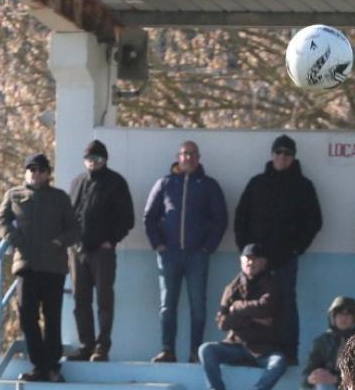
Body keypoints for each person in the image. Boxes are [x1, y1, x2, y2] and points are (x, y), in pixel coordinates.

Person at [234, 134, 322, 359]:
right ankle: (249, 349)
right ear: (272, 154)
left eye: (287, 153)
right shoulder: (257, 183)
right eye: (279, 152)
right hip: (256, 259)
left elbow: (314, 221)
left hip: (285, 258)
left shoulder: (303, 186)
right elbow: (241, 217)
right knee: (249, 303)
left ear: (293, 157)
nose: (282, 157)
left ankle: (288, 350)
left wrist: (297, 248)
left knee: (286, 302)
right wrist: (246, 251)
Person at [0, 152, 79, 382]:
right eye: (32, 169)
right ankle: (39, 365)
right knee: (27, 316)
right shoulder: (14, 195)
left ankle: (52, 366)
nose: (36, 173)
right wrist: (15, 239)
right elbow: (1, 221)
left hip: (53, 266)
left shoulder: (59, 197)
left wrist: (59, 241)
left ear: (48, 173)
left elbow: (74, 229)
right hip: (27, 265)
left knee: (52, 316)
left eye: (41, 169)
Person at [144, 141, 228, 363]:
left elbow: (221, 219)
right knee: (167, 306)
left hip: (197, 256)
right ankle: (167, 350)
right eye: (184, 154)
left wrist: (208, 247)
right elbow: (149, 217)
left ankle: (195, 352)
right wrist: (158, 245)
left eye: (192, 154)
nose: (188, 158)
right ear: (177, 157)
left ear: (198, 157)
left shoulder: (209, 186)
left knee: (198, 306)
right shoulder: (165, 184)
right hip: (168, 254)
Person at [198, 244, 288, 390]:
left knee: (279, 362)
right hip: (235, 345)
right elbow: (222, 323)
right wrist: (253, 316)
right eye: (247, 259)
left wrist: (238, 308)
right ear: (241, 261)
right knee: (206, 350)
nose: (250, 263)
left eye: (254, 259)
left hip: (263, 347)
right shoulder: (232, 287)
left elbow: (267, 310)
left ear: (264, 262)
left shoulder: (273, 284)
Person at [68, 139, 135, 362]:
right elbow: (71, 213)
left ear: (104, 160)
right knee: (80, 300)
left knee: (104, 300)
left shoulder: (116, 183)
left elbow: (127, 218)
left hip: (102, 252)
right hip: (78, 251)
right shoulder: (78, 182)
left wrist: (111, 240)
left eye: (96, 159)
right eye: (88, 159)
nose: (92, 163)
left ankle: (102, 346)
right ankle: (86, 344)